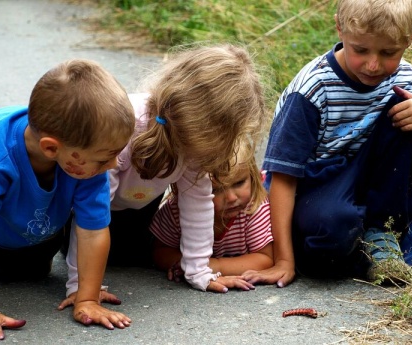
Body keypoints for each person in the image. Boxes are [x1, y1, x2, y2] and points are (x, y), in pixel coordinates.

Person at [243, 0, 412, 287]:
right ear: (340, 28)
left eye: (388, 52)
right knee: (329, 237)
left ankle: (379, 231)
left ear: (411, 37)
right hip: (318, 186)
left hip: (378, 187)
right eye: (360, 50)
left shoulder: (406, 80)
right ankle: (358, 247)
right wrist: (283, 261)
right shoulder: (312, 90)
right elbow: (283, 177)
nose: (373, 64)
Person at [59, 44, 267, 306]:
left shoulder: (192, 143)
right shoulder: (123, 128)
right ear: (203, 124)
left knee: (129, 258)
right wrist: (81, 286)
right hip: (80, 201)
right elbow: (92, 210)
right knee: (40, 259)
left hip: (134, 204)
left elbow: (197, 205)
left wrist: (199, 271)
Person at [0, 59, 135, 343]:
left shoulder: (87, 157)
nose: (113, 164)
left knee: (31, 271)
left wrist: (87, 299)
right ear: (50, 148)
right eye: (104, 157)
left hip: (29, 230)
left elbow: (93, 231)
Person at [149, 139, 273, 289]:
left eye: (239, 183)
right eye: (215, 190)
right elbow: (160, 252)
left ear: (253, 177)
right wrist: (183, 264)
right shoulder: (177, 210)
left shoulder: (254, 208)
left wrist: (214, 265)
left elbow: (265, 258)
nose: (232, 198)